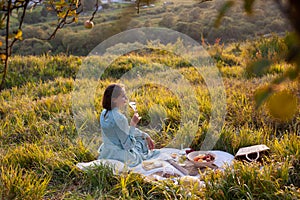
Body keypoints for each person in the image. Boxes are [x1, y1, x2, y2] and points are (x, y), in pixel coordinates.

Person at [98, 83, 159, 167]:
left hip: (106, 153)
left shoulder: (104, 113)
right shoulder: (120, 118)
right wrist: (133, 124)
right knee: (141, 142)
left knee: (141, 137)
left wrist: (145, 135)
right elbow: (128, 146)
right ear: (114, 99)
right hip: (121, 157)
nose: (126, 98)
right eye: (123, 96)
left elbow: (123, 130)